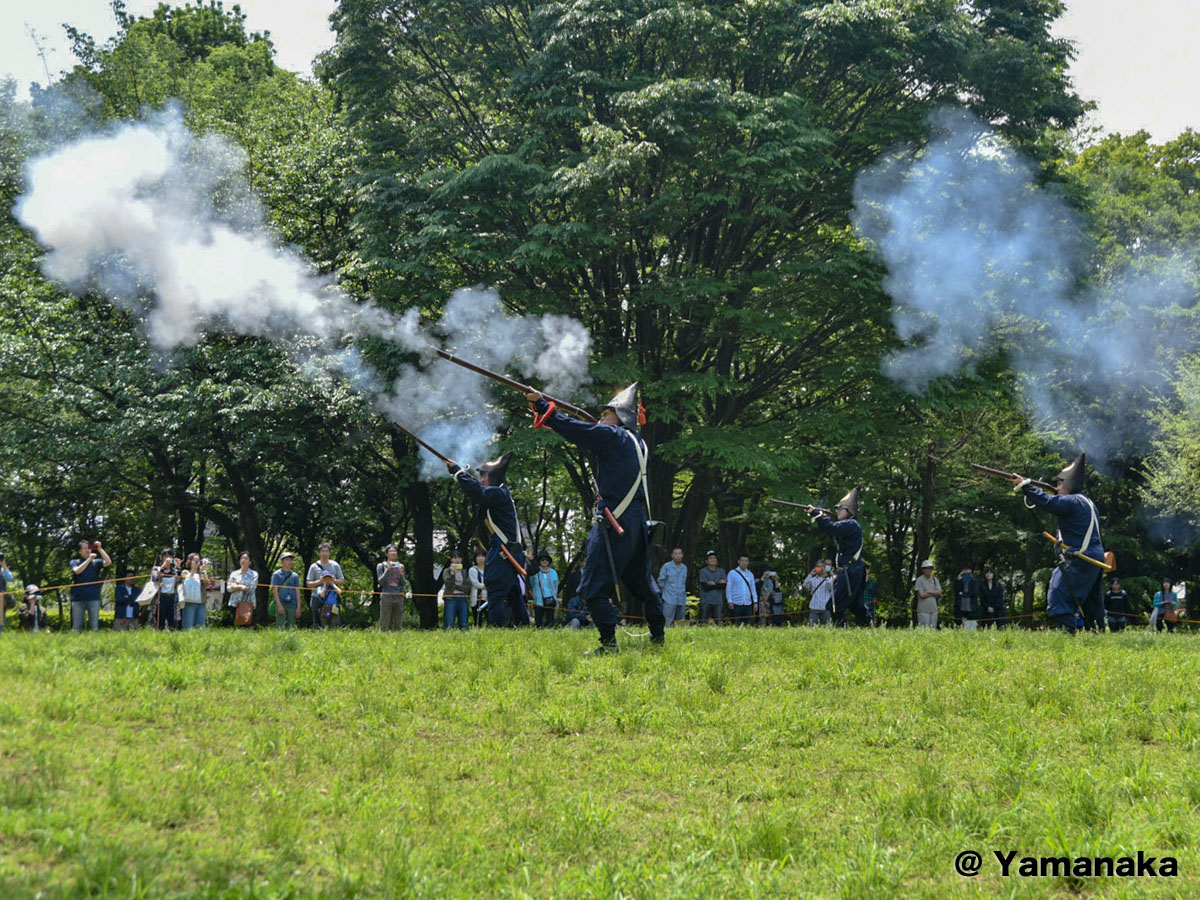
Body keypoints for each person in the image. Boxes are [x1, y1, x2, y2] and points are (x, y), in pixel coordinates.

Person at [527, 384, 666, 654]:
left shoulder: (615, 436)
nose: (602, 416)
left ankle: (609, 644)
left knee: (592, 588)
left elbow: (574, 429)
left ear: (621, 416)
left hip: (615, 522)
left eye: (608, 412)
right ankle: (658, 636)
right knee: (644, 586)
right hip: (635, 521)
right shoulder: (638, 442)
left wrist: (543, 404)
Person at [1010, 454, 1106, 634]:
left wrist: (1025, 486)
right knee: (1092, 606)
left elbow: (1048, 502)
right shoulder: (1089, 503)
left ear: (1069, 485)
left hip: (1080, 558)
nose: (1057, 487)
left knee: (1058, 596)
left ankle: (1065, 640)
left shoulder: (1072, 501)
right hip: (1093, 559)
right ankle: (1097, 638)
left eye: (1060, 484)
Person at [446, 451, 530, 628]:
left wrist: (459, 472)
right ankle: (523, 626)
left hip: (503, 551)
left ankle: (497, 628)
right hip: (507, 550)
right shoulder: (498, 493)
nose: (482, 478)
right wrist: (460, 474)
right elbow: (478, 491)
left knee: (495, 590)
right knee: (514, 592)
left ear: (494, 476)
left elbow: (478, 492)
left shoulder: (498, 494)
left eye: (485, 475)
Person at [810, 490, 866, 627]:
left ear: (849, 511)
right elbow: (832, 531)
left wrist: (817, 515)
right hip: (853, 570)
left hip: (851, 570)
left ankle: (841, 632)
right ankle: (868, 627)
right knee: (856, 606)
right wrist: (825, 518)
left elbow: (831, 529)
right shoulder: (847, 527)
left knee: (834, 606)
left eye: (841, 509)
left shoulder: (852, 524)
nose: (838, 511)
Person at [70, 539, 111, 632]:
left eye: (89, 548)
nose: (88, 550)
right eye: (85, 548)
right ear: (80, 551)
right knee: (76, 628)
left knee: (94, 627)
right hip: (78, 599)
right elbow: (77, 571)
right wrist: (89, 559)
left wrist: (100, 549)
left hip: (93, 598)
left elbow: (108, 562)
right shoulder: (75, 562)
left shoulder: (96, 562)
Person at [306, 543, 345, 627]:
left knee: (333, 621)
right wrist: (320, 582)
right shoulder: (314, 566)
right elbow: (308, 584)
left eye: (327, 551)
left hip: (332, 599)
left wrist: (333, 581)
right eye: (322, 551)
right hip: (317, 597)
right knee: (317, 621)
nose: (324, 553)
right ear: (319, 553)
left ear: (330, 553)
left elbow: (342, 581)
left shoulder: (335, 565)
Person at [376, 544, 410, 631]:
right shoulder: (381, 566)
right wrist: (388, 570)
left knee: (398, 624)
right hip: (386, 596)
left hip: (398, 596)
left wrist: (401, 574)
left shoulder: (401, 566)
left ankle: (397, 640)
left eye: (395, 551)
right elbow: (380, 582)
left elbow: (403, 583)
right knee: (384, 623)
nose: (393, 553)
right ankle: (382, 639)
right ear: (386, 554)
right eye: (391, 551)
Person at [657, 548, 689, 627]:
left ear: (682, 555)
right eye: (675, 554)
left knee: (681, 621)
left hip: (681, 597)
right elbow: (661, 581)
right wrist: (663, 591)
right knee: (667, 620)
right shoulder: (666, 566)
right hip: (669, 597)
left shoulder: (684, 567)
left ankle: (680, 637)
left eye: (679, 553)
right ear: (672, 555)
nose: (678, 555)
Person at [271, 551, 302, 629]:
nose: (289, 562)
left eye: (291, 560)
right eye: (287, 559)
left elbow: (297, 591)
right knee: (280, 626)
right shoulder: (276, 574)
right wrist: (279, 605)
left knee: (291, 626)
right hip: (281, 603)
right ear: (282, 561)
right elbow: (275, 590)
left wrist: (298, 607)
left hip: (292, 603)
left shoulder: (295, 576)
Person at [151, 550, 180, 631]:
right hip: (161, 597)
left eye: (170, 556)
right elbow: (155, 579)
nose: (168, 558)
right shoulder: (156, 569)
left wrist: (178, 567)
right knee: (160, 620)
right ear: (161, 557)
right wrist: (163, 567)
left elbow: (180, 581)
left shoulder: (174, 571)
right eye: (166, 556)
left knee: (172, 621)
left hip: (172, 597)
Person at [227, 552, 259, 627]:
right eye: (241, 558)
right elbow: (229, 588)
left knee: (247, 626)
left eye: (246, 558)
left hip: (248, 604)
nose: (243, 560)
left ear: (250, 562)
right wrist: (240, 587)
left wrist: (236, 585)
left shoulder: (254, 574)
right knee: (235, 626)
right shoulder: (234, 573)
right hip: (234, 603)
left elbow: (251, 587)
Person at [441, 551, 470, 631]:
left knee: (464, 622)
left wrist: (456, 586)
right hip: (451, 597)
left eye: (459, 558)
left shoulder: (465, 572)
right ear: (451, 560)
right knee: (449, 623)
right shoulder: (447, 571)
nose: (457, 560)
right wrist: (452, 573)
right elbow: (448, 584)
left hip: (463, 597)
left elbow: (467, 588)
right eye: (455, 558)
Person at [530, 552, 559, 628]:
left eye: (547, 560)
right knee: (538, 621)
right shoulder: (535, 572)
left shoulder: (553, 572)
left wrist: (554, 597)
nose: (545, 561)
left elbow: (556, 586)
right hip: (538, 599)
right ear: (539, 561)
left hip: (550, 599)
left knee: (550, 620)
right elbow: (532, 583)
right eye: (543, 560)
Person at [179, 553, 208, 630]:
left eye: (198, 560)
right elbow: (184, 582)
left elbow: (206, 584)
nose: (196, 562)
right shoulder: (185, 572)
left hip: (201, 602)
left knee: (200, 626)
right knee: (188, 626)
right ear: (190, 561)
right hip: (189, 602)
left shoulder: (202, 573)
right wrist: (192, 571)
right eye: (194, 560)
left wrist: (202, 571)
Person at [725, 554, 756, 625]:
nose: (744, 563)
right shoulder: (732, 573)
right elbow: (728, 588)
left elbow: (753, 589)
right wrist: (729, 601)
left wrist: (755, 602)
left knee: (748, 624)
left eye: (746, 561)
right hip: (736, 603)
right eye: (742, 561)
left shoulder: (750, 574)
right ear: (738, 561)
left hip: (748, 603)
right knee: (736, 623)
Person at [698, 551, 726, 625]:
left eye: (714, 558)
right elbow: (705, 587)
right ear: (706, 561)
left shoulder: (721, 571)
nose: (713, 560)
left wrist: (713, 584)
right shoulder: (703, 571)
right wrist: (718, 584)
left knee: (718, 622)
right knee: (704, 622)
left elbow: (723, 586)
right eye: (710, 558)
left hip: (718, 601)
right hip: (706, 601)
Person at [803, 560, 834, 626]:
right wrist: (811, 574)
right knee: (811, 627)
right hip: (814, 608)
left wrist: (827, 574)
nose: (819, 568)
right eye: (817, 566)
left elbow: (831, 586)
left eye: (821, 567)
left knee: (828, 628)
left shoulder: (828, 579)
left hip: (825, 608)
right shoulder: (812, 580)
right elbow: (805, 585)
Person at [914, 560, 941, 629]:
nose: (927, 570)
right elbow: (922, 595)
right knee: (924, 630)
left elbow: (939, 592)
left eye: (929, 568)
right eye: (925, 568)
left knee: (933, 630)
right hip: (923, 610)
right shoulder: (919, 580)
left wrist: (928, 592)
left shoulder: (935, 580)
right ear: (923, 569)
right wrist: (934, 593)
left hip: (934, 609)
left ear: (932, 569)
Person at [954, 565, 981, 630]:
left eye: (967, 570)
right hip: (960, 608)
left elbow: (974, 593)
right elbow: (956, 592)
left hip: (971, 608)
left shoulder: (974, 581)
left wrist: (963, 594)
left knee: (972, 628)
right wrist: (958, 580)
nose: (966, 571)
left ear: (971, 571)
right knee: (960, 627)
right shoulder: (958, 581)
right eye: (964, 570)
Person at [468, 550, 487, 627]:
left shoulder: (489, 568)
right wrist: (487, 586)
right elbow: (475, 583)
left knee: (489, 617)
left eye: (483, 556)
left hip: (488, 598)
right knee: (478, 619)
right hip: (477, 598)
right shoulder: (472, 569)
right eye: (478, 556)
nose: (480, 558)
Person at [0, 552, 11, 632]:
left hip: (1, 600)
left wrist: (4, 565)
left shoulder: (3, 570)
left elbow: (10, 578)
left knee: (0, 624)